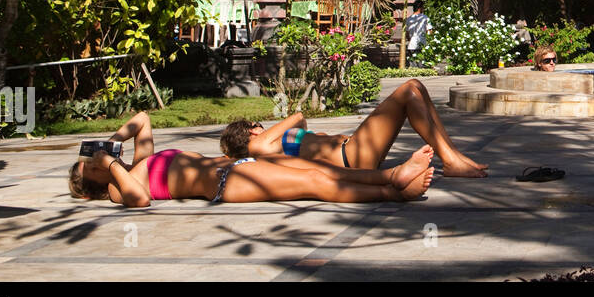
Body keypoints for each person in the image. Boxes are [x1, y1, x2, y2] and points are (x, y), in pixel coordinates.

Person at [69, 111, 435, 208]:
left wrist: (111, 142)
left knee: (319, 169)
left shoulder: (138, 162)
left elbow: (143, 119)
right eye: (93, 169)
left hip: (236, 166)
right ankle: (394, 193)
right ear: (90, 189)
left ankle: (391, 175)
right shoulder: (120, 187)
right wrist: (111, 166)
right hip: (225, 184)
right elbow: (141, 199)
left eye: (94, 159)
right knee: (314, 184)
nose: (99, 162)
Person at [219, 78, 488, 178]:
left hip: (355, 151)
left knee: (416, 86)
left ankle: (453, 155)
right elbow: (299, 116)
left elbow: (300, 122)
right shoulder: (258, 146)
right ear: (250, 132)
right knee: (408, 91)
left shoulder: (268, 144)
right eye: (256, 125)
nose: (261, 127)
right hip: (352, 157)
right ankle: (451, 160)